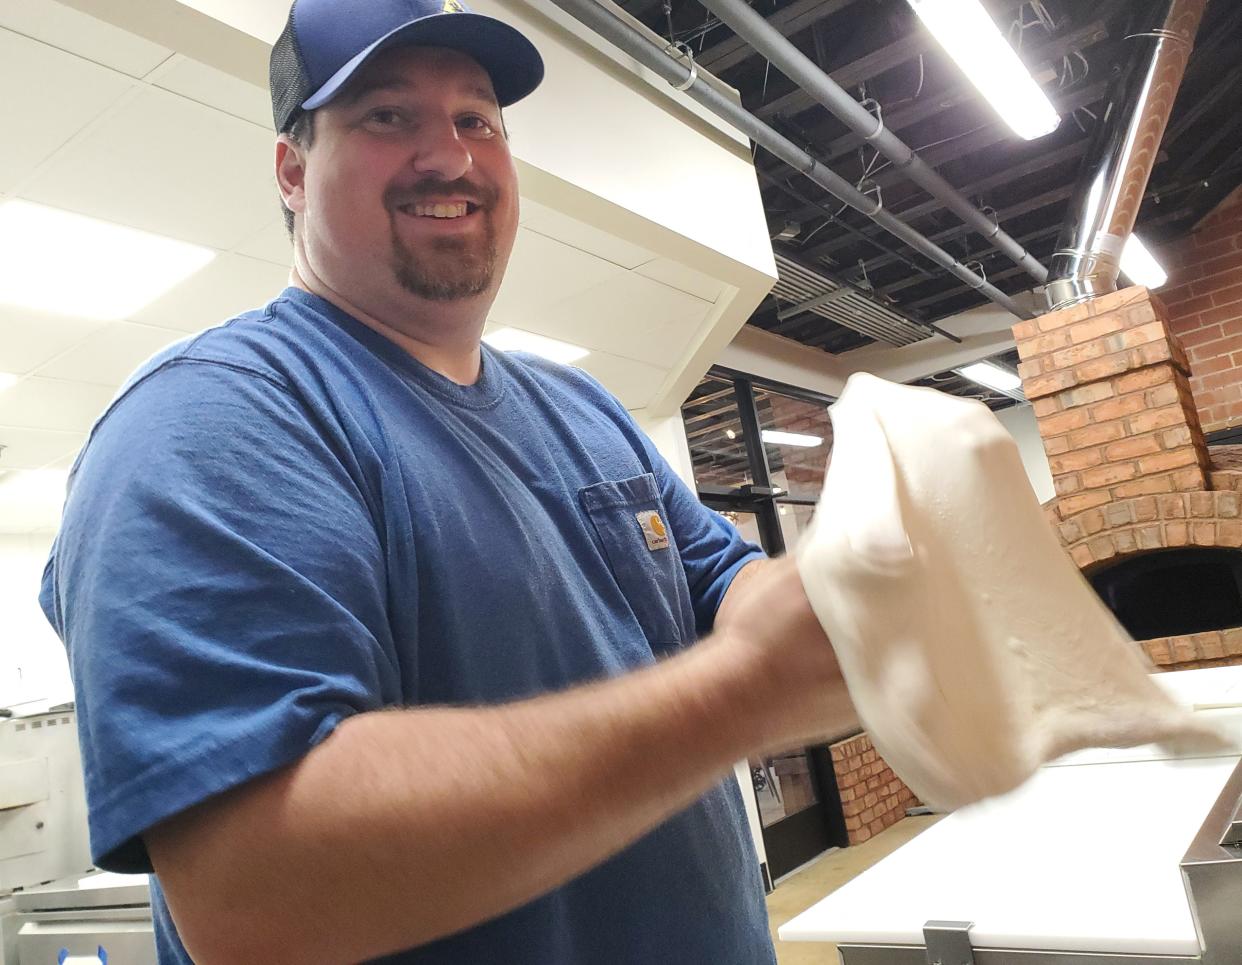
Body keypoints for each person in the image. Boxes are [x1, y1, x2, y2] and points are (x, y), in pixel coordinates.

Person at [39, 0, 855, 961]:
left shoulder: (584, 410)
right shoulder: (213, 420)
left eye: (477, 120)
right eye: (387, 116)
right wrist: (739, 697)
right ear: (293, 170)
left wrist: (836, 605)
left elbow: (721, 584)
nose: (452, 156)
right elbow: (257, 892)